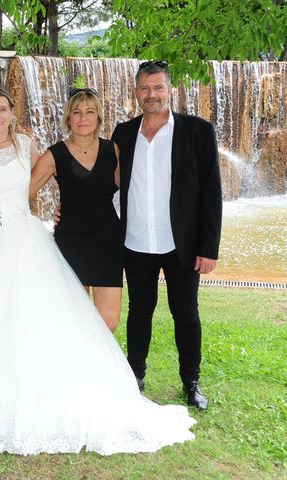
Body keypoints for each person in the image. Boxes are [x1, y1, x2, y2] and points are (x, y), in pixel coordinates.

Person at [0, 87, 196, 455]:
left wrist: (59, 208)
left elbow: (38, 184)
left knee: (37, 317)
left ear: (12, 113)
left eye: (3, 109)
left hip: (27, 242)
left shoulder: (26, 146)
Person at [111, 61, 222, 410]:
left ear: (170, 89)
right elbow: (109, 187)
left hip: (182, 245)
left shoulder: (197, 132)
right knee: (139, 312)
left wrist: (209, 247)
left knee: (185, 312)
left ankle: (191, 381)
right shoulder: (123, 134)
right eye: (144, 88)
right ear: (136, 92)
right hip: (136, 241)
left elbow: (211, 193)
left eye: (158, 87)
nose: (151, 94)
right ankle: (136, 376)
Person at [30, 87, 123, 332]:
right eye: (77, 112)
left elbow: (132, 188)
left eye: (90, 112)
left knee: (109, 321)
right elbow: (22, 193)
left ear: (99, 117)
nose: (83, 118)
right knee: (75, 321)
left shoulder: (113, 150)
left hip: (108, 242)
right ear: (68, 118)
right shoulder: (54, 154)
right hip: (71, 242)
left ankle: (100, 369)